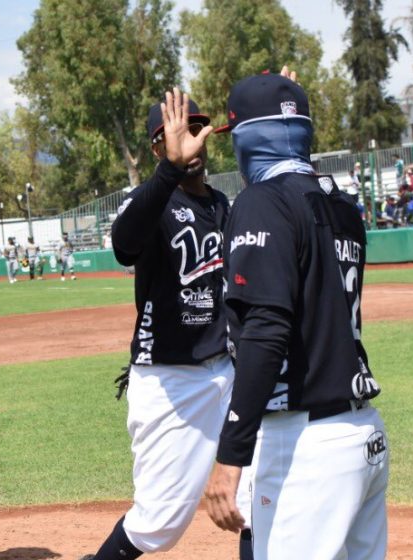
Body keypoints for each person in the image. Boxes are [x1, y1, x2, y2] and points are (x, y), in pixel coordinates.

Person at [203, 72, 388, 560]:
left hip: (306, 444)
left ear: (247, 138)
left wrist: (231, 455)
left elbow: (266, 331)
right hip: (361, 431)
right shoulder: (341, 202)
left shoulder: (262, 202)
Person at [82, 89, 235, 560]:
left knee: (259, 485)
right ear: (156, 148)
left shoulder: (224, 205)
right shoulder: (147, 204)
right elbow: (124, 244)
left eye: (193, 129)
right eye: (173, 133)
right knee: (159, 525)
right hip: (170, 377)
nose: (188, 140)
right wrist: (169, 170)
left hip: (228, 369)